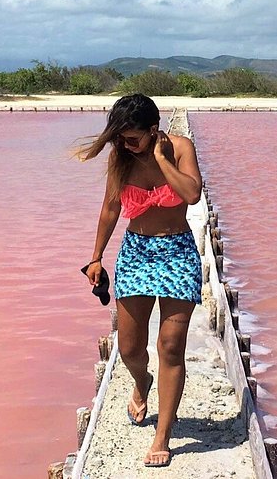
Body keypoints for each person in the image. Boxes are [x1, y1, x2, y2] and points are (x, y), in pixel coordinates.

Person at [79, 93, 203, 468]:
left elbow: (192, 194)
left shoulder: (180, 148)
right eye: (120, 139)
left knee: (170, 346)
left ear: (154, 130)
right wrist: (97, 257)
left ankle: (162, 433)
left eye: (133, 138)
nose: (125, 145)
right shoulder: (122, 157)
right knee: (131, 347)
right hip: (136, 252)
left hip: (178, 253)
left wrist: (163, 159)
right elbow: (110, 208)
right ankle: (141, 381)